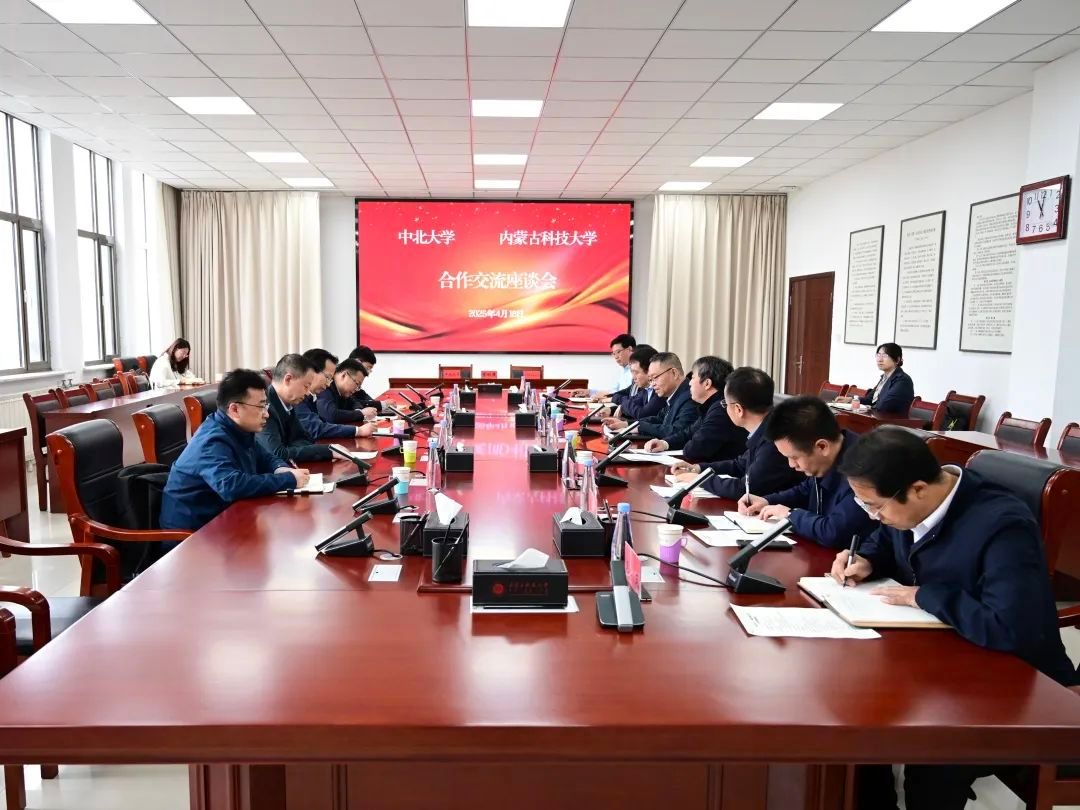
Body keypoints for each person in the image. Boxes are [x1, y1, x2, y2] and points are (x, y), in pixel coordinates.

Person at [833, 427, 1079, 810]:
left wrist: (923, 595)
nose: (874, 517)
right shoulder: (914, 507)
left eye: (876, 507)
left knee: (933, 755)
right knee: (859, 718)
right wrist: (865, 559)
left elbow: (1009, 628)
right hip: (950, 659)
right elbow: (887, 540)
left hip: (1020, 685)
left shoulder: (1003, 525)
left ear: (918, 489)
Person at [159, 369, 307, 532]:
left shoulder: (238, 429)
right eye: (260, 406)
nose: (266, 414)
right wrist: (288, 479)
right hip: (190, 535)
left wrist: (281, 468)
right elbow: (231, 486)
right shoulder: (211, 441)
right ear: (234, 409)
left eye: (266, 405)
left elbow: (265, 457)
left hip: (222, 520)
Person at [739, 395, 876, 549]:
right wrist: (767, 501)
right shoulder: (829, 456)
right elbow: (805, 489)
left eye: (794, 457)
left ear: (822, 446)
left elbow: (833, 532)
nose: (791, 465)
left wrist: (790, 515)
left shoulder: (864, 469)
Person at [671, 367, 803, 499]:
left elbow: (744, 489)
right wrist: (698, 468)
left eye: (725, 404)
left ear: (738, 409)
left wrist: (699, 480)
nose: (724, 408)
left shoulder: (774, 441)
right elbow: (739, 465)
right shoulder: (765, 428)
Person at [643, 356, 746, 462]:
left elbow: (695, 450)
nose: (689, 383)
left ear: (707, 383)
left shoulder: (720, 410)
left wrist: (688, 444)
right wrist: (665, 443)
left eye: (692, 378)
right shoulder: (711, 405)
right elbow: (688, 433)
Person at [603, 352, 698, 440]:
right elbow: (658, 419)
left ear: (674, 373)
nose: (652, 385)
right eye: (650, 380)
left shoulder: (691, 397)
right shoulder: (675, 394)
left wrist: (640, 427)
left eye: (655, 378)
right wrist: (626, 424)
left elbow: (677, 431)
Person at [257, 354, 333, 463]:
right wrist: (327, 450)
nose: (308, 393)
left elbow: (303, 438)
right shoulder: (263, 406)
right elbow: (277, 454)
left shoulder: (288, 402)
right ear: (288, 379)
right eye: (306, 386)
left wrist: (290, 449)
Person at [298, 349, 375, 440]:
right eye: (328, 377)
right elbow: (320, 426)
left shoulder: (311, 396)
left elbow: (322, 423)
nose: (328, 384)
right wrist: (358, 430)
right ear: (310, 372)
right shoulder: (297, 398)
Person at [838, 343, 914, 415]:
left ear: (897, 360)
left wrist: (868, 407)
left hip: (890, 422)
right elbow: (870, 400)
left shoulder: (902, 380)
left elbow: (884, 406)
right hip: (877, 418)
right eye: (878, 355)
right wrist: (851, 400)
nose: (880, 359)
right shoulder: (884, 378)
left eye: (885, 356)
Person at [317, 358, 377, 423]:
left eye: (359, 386)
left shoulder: (343, 391)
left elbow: (354, 403)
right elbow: (331, 415)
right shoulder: (325, 386)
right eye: (357, 384)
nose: (357, 389)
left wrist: (359, 411)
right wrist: (361, 413)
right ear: (344, 375)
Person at [614, 345, 663, 421]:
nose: (633, 378)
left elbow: (642, 414)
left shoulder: (660, 390)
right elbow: (631, 402)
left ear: (649, 371)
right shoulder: (646, 390)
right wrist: (611, 409)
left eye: (636, 372)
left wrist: (623, 405)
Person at [347, 345, 385, 412]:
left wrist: (376, 403)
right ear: (357, 362)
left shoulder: (355, 379)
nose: (368, 373)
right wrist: (381, 404)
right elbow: (351, 402)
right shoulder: (344, 378)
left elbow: (361, 394)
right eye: (367, 368)